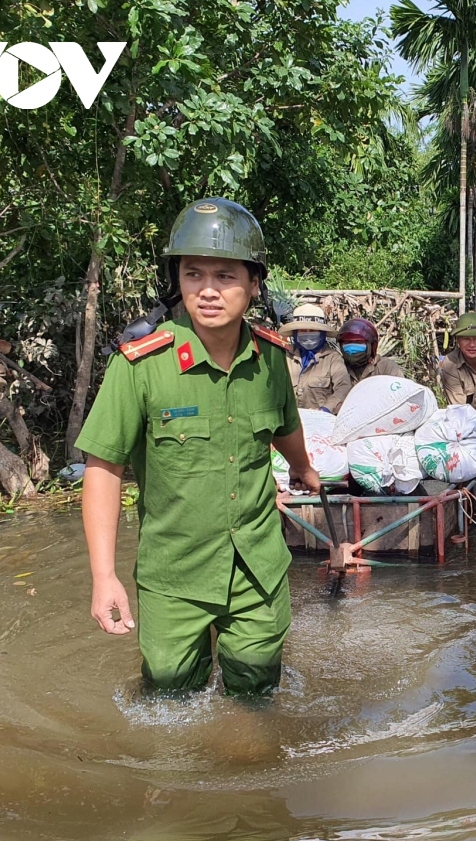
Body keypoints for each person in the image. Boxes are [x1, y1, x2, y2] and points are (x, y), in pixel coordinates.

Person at [76, 197, 321, 696]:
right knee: (168, 698)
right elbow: (103, 470)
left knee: (257, 694)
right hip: (174, 575)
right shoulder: (140, 366)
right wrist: (104, 577)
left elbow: (284, 424)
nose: (208, 291)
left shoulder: (270, 359)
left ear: (254, 284)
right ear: (177, 280)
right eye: (194, 274)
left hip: (257, 569)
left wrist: (303, 468)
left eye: (225, 276)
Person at [279, 303, 350, 413]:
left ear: (322, 333)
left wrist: (326, 408)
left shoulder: (332, 358)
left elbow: (343, 388)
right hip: (288, 423)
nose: (308, 334)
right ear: (295, 333)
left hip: (321, 423)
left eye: (312, 330)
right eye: (303, 330)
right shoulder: (284, 356)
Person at [338, 317, 403, 384]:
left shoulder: (386, 367)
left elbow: (400, 391)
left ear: (372, 346)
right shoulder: (338, 367)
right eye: (347, 343)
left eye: (359, 343)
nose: (351, 348)